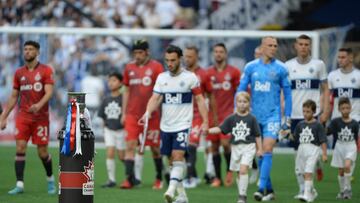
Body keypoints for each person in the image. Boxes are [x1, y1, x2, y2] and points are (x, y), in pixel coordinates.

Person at [139, 45, 208, 203]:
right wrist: (147, 113)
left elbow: (199, 99)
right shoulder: (162, 78)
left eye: (172, 60)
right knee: (171, 161)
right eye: (167, 60)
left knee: (178, 156)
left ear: (180, 60)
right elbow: (155, 98)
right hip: (166, 126)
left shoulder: (190, 77)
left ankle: (170, 191)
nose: (169, 63)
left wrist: (205, 121)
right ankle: (182, 196)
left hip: (183, 124)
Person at [237, 36, 292, 201]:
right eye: (270, 45)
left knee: (267, 149)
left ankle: (261, 189)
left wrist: (287, 119)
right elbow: (240, 90)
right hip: (254, 117)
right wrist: (237, 111)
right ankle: (270, 190)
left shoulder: (281, 69)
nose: (274, 48)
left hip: (273, 116)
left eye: (275, 45)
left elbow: (288, 95)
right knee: (260, 153)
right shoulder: (250, 67)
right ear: (262, 47)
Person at [0, 40, 56, 195]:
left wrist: (39, 105)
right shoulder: (19, 73)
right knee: (20, 148)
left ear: (38, 52)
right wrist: (4, 117)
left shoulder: (46, 70)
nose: (27, 52)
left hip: (41, 118)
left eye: (31, 49)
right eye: (25, 49)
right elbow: (13, 96)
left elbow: (49, 92)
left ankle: (50, 179)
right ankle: (19, 185)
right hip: (23, 116)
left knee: (42, 153)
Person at [285, 34, 330, 196]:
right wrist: (285, 115)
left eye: (306, 44)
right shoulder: (288, 66)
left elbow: (325, 89)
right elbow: (285, 92)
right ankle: (303, 189)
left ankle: (313, 176)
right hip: (296, 116)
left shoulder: (319, 65)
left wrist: (325, 111)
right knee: (298, 154)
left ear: (310, 46)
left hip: (314, 116)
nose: (303, 47)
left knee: (313, 152)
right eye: (301, 44)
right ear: (295, 46)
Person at [120, 39, 164, 189]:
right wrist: (124, 112)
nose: (137, 56)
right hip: (132, 115)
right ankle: (129, 179)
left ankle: (159, 177)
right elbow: (126, 90)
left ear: (147, 52)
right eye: (135, 53)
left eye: (140, 53)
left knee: (155, 149)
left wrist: (152, 110)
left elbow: (161, 93)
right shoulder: (129, 67)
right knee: (130, 146)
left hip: (151, 116)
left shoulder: (157, 67)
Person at [209, 92, 263, 203]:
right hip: (236, 148)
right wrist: (208, 131)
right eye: (240, 102)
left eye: (245, 102)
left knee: (243, 170)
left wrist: (260, 149)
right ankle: (242, 195)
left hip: (248, 146)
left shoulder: (252, 119)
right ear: (236, 103)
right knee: (239, 173)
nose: (242, 104)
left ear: (249, 103)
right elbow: (221, 129)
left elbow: (257, 135)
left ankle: (242, 197)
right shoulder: (231, 118)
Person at [207, 43, 241, 187]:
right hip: (212, 116)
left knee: (226, 145)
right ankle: (217, 178)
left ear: (226, 54)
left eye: (221, 51)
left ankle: (229, 172)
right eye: (216, 51)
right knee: (214, 147)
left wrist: (238, 111)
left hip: (228, 116)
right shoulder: (208, 73)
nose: (218, 54)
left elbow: (240, 92)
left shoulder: (234, 72)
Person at [182, 45, 216, 188]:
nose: (187, 59)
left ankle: (191, 177)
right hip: (182, 115)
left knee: (192, 145)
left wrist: (213, 116)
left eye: (190, 56)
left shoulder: (204, 74)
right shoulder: (181, 73)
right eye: (186, 56)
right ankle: (193, 174)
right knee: (182, 148)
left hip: (197, 115)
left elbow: (210, 95)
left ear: (196, 57)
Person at [328, 47, 360, 180]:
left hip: (355, 119)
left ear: (351, 58)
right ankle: (345, 178)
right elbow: (329, 98)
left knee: (351, 148)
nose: (339, 60)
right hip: (337, 121)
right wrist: (326, 114)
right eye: (338, 57)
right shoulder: (332, 76)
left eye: (343, 57)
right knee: (340, 152)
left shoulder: (358, 76)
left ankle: (348, 175)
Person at [293, 99, 327, 202]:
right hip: (301, 149)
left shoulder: (318, 125)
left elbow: (323, 140)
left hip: (313, 150)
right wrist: (285, 135)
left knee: (308, 173)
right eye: (304, 111)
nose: (305, 114)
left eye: (308, 111)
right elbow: (295, 138)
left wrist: (324, 154)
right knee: (302, 173)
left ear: (313, 112)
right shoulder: (300, 125)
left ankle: (307, 195)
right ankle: (312, 192)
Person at [328, 97, 359, 199]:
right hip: (339, 146)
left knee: (347, 166)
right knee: (341, 171)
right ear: (339, 109)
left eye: (347, 108)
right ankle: (342, 191)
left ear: (350, 108)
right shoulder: (335, 122)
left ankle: (347, 189)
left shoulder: (355, 123)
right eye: (343, 108)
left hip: (350, 146)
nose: (345, 110)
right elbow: (327, 132)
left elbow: (356, 136)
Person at [98, 72, 125, 188]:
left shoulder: (124, 99)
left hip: (121, 131)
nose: (111, 83)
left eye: (114, 80)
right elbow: (103, 117)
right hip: (109, 130)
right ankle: (111, 180)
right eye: (109, 81)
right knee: (109, 153)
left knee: (122, 156)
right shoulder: (106, 99)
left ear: (120, 83)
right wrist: (104, 130)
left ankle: (131, 174)